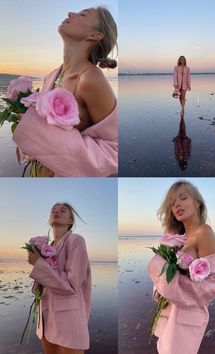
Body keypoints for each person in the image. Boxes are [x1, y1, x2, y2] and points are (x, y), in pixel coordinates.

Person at [13, 6, 118, 177]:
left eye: (83, 14)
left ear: (94, 35)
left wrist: (43, 137)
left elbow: (114, 150)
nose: (70, 13)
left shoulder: (90, 78)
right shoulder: (52, 75)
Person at [148, 180, 215, 354]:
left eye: (183, 197)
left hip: (188, 314)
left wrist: (171, 285)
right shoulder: (179, 239)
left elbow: (212, 283)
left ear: (197, 202)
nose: (176, 204)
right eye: (172, 203)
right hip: (172, 311)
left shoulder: (204, 232)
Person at [27, 203, 91, 354]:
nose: (57, 211)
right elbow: (44, 284)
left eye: (63, 210)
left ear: (70, 221)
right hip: (46, 319)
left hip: (68, 319)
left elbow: (71, 284)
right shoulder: (47, 247)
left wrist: (38, 263)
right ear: (49, 219)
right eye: (53, 210)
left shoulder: (76, 241)